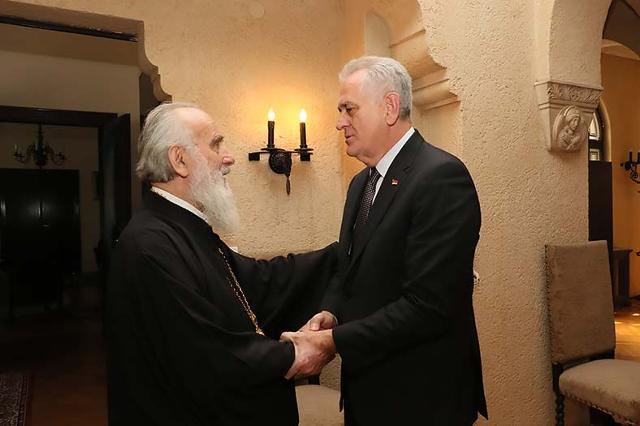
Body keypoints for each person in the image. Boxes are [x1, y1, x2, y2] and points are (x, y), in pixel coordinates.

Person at [281, 56, 488, 425]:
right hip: (367, 389)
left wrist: (333, 342)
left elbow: (428, 306)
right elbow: (349, 269)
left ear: (389, 107)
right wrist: (331, 313)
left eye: (349, 109)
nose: (339, 122)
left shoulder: (441, 177)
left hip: (423, 398)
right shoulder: (361, 183)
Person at [106, 102, 336, 425]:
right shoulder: (151, 245)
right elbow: (207, 355)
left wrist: (342, 255)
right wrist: (297, 354)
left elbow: (257, 282)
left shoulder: (182, 226)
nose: (228, 158)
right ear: (179, 160)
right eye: (216, 144)